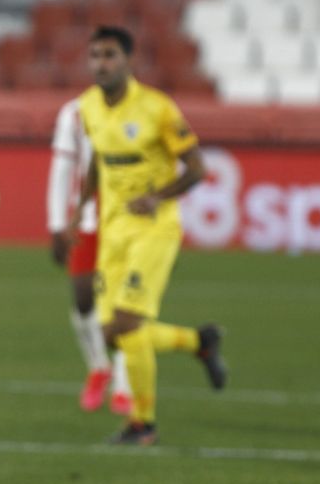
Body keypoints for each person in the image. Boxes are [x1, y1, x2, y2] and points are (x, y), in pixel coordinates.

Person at [72, 26, 227, 446]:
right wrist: (81, 209)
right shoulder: (87, 107)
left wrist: (158, 197)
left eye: (109, 55)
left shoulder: (157, 109)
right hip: (113, 230)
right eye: (95, 56)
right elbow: (96, 162)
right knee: (111, 333)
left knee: (127, 322)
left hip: (154, 230)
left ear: (128, 61)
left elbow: (196, 168)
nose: (100, 64)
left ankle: (143, 424)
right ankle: (199, 342)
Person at [48, 95, 132, 414]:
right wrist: (57, 224)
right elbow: (62, 169)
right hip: (88, 219)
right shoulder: (75, 112)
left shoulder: (145, 108)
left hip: (128, 219)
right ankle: (99, 365)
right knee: (83, 298)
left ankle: (123, 384)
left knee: (124, 304)